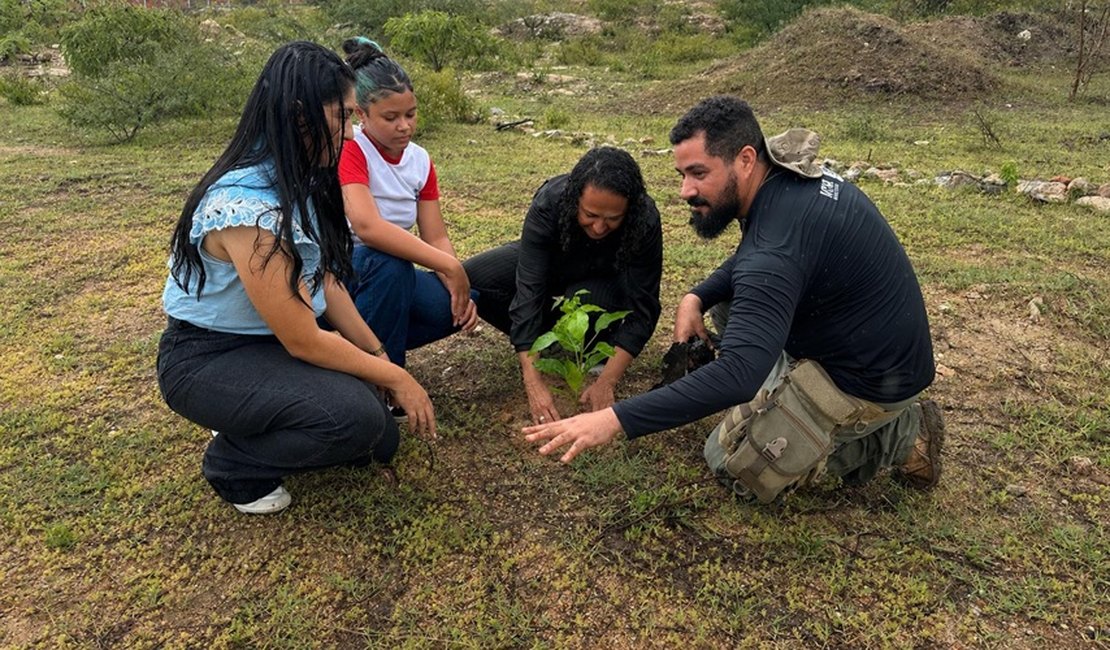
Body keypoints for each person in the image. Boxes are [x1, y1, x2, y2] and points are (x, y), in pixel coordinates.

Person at [524, 95, 944, 502]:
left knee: (731, 463)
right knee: (729, 301)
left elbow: (739, 374)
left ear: (744, 160)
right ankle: (786, 393)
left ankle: (903, 435)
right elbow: (754, 261)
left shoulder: (774, 249)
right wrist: (696, 297)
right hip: (853, 335)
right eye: (682, 174)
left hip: (869, 381)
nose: (685, 191)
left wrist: (614, 420)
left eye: (698, 173)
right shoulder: (783, 184)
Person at [157, 42, 436, 516]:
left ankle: (259, 415)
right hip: (210, 357)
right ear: (300, 116)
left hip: (267, 345)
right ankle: (233, 463)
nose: (351, 133)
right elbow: (303, 339)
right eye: (342, 117)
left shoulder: (298, 178)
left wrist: (377, 355)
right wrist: (397, 376)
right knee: (355, 421)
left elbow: (325, 278)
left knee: (380, 438)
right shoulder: (248, 208)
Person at [463, 147, 663, 424]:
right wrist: (533, 380)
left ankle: (591, 348)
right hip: (554, 264)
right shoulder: (550, 202)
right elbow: (529, 289)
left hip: (605, 277)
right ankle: (547, 339)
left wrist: (607, 382)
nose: (599, 227)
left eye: (613, 219)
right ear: (574, 200)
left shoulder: (645, 219)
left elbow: (644, 308)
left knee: (587, 302)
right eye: (590, 214)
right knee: (472, 278)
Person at [337, 37, 477, 381]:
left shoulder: (420, 160)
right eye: (391, 117)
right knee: (390, 264)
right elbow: (367, 227)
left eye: (410, 114)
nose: (404, 126)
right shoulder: (352, 148)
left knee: (456, 306)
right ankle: (385, 380)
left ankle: (358, 349)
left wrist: (455, 282)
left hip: (390, 275)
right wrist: (448, 266)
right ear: (361, 114)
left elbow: (436, 236)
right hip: (344, 269)